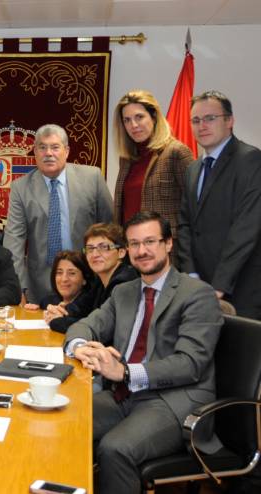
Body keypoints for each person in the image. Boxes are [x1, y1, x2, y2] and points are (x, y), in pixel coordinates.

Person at [64, 211, 222, 493]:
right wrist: (80, 346)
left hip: (173, 402)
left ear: (168, 243)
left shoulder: (198, 294)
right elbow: (86, 325)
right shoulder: (124, 292)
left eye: (150, 241)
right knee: (62, 420)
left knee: (115, 448)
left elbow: (190, 363)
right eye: (134, 244)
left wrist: (125, 371)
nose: (142, 251)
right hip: (123, 395)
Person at [3, 123, 113, 305]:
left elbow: (110, 228)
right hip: (41, 286)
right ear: (35, 152)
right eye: (42, 147)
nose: (48, 153)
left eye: (55, 147)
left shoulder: (92, 178)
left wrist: (108, 275)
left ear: (66, 151)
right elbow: (14, 242)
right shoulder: (20, 188)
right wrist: (19, 288)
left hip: (90, 280)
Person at [177, 90, 261, 319]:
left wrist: (218, 287)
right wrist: (191, 276)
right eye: (195, 120)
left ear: (229, 121)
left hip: (240, 289)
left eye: (210, 118)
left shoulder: (251, 160)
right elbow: (185, 225)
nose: (202, 126)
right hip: (199, 288)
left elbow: (246, 229)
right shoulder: (193, 169)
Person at [112, 90, 193, 259]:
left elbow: (193, 210)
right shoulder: (126, 159)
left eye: (139, 117)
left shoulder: (176, 152)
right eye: (127, 120)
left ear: (154, 117)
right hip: (131, 253)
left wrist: (188, 258)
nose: (133, 125)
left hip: (168, 255)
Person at [24, 250, 93, 334]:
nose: (64, 279)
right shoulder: (49, 301)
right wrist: (35, 311)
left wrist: (61, 319)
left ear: (84, 279)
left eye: (72, 273)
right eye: (59, 273)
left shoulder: (90, 306)